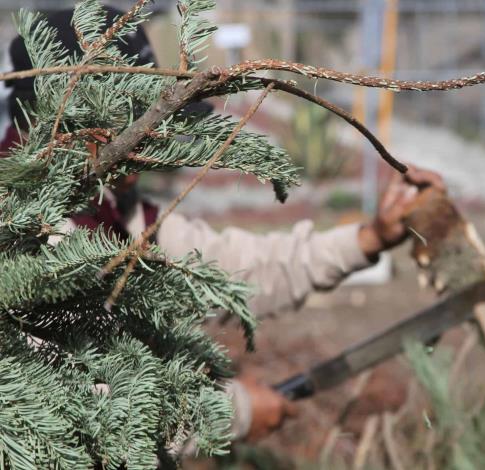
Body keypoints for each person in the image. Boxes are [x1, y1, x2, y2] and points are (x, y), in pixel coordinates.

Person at [1, 8, 445, 443]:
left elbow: (231, 269)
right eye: (134, 130)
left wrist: (369, 238)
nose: (152, 146)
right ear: (75, 127)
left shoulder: (118, 211)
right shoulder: (22, 238)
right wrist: (236, 411)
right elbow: (86, 402)